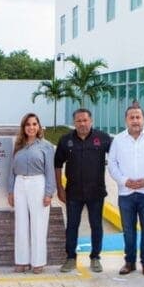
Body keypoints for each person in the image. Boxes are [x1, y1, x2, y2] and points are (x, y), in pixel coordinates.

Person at [54, 108, 112, 273]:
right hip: (73, 192)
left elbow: (117, 157)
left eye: (85, 120)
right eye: (78, 121)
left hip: (96, 192)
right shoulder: (66, 140)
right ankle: (70, 257)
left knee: (96, 225)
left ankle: (95, 257)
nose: (82, 123)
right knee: (72, 225)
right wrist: (60, 188)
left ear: (91, 121)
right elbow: (57, 165)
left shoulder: (103, 138)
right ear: (74, 123)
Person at [107, 106, 144, 276]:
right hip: (126, 193)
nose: (135, 120)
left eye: (138, 117)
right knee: (128, 230)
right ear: (126, 120)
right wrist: (125, 181)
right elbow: (112, 163)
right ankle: (129, 262)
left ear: (143, 119)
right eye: (132, 117)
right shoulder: (118, 140)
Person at [8, 113, 56, 274]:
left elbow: (50, 171)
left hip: (38, 183)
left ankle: (38, 262)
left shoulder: (46, 146)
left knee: (38, 224)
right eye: (28, 124)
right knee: (20, 224)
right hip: (20, 184)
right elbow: (11, 170)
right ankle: (22, 261)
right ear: (23, 127)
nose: (31, 127)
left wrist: (49, 193)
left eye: (34, 124)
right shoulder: (18, 145)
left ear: (39, 126)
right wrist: (10, 190)